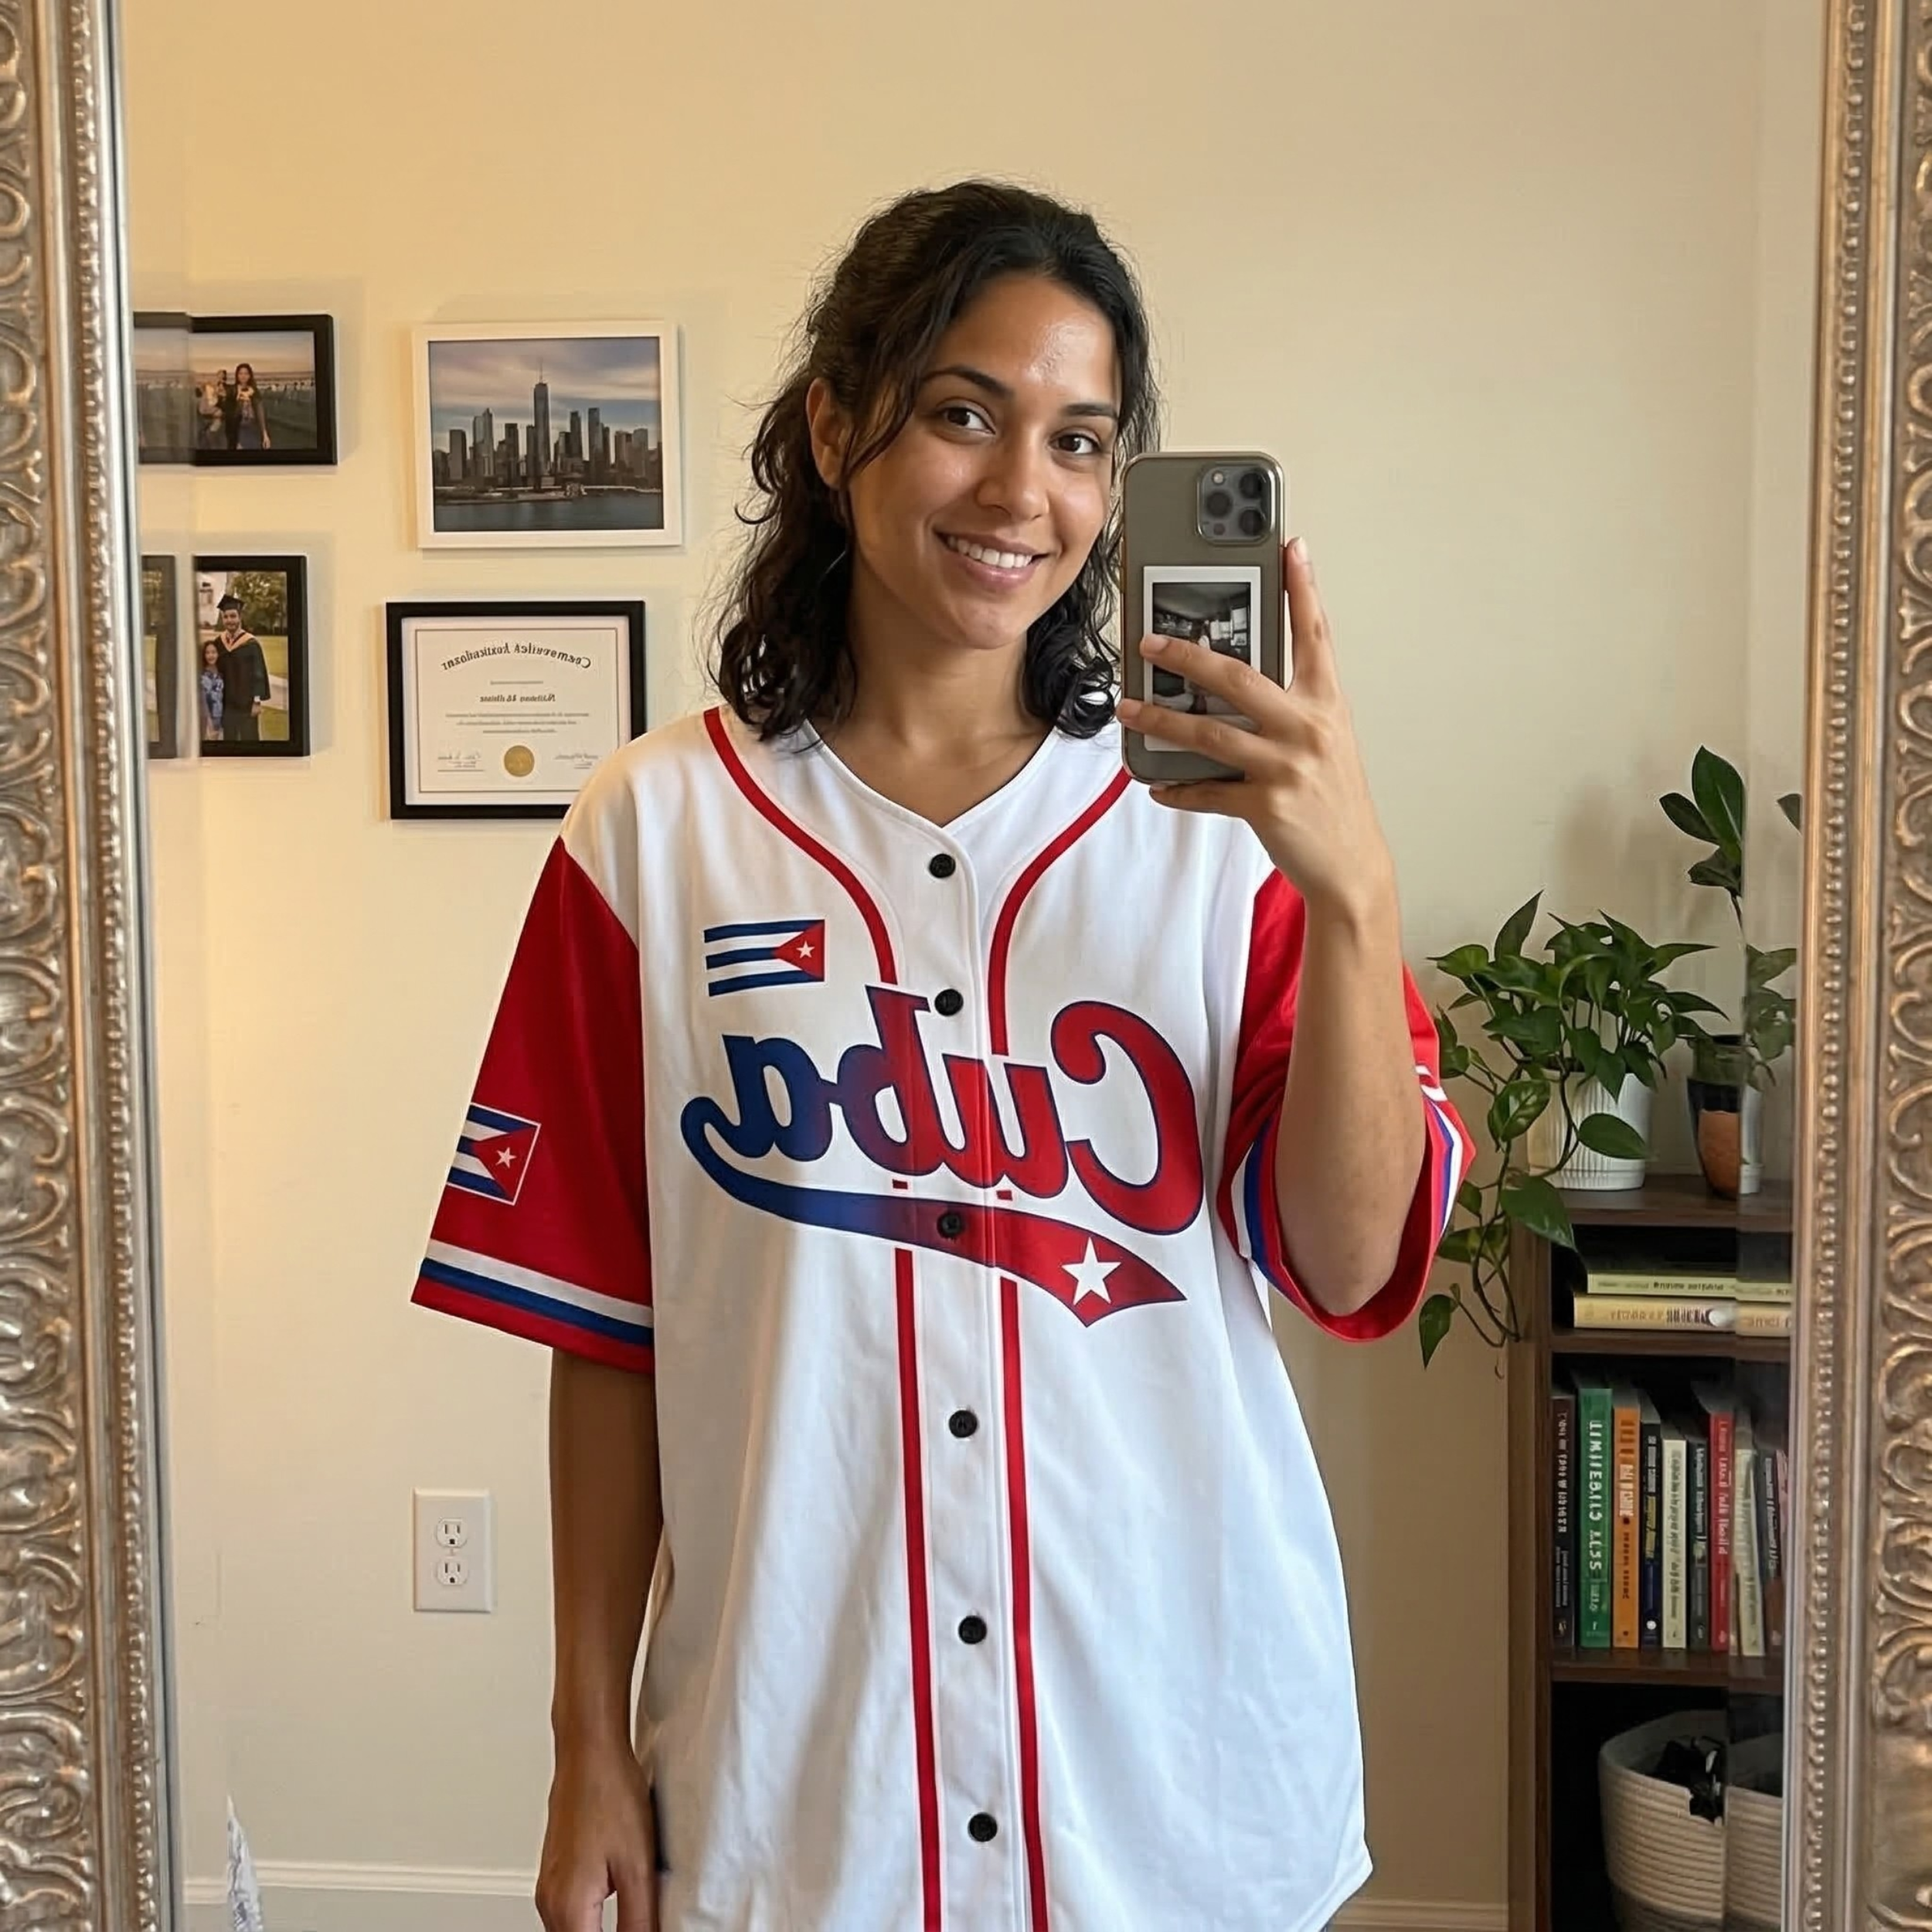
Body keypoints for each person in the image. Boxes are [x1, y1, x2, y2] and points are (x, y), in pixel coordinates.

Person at [412, 180, 1469, 1932]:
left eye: (1079, 440)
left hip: (1174, 1765)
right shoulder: (654, 834)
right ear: (836, 426)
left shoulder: (1225, 840)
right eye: (962, 412)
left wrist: (1354, 894)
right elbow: (604, 1332)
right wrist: (583, 1741)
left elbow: (1356, 1267)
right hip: (799, 1776)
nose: (1019, 490)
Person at [213, 595, 269, 742]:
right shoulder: (219, 643)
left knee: (249, 740)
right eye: (226, 617)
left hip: (247, 704)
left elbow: (258, 674)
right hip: (227, 704)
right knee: (229, 740)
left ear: (240, 618)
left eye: (233, 616)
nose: (230, 620)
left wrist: (256, 702)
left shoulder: (251, 644)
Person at [232, 361, 271, 451]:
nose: (243, 376)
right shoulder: (233, 390)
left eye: (246, 373)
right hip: (238, 429)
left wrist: (265, 434)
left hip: (253, 428)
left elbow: (260, 412)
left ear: (250, 376)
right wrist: (241, 398)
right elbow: (233, 413)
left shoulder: (254, 391)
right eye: (240, 373)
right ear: (237, 375)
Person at [199, 638, 225, 740]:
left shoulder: (221, 673)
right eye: (207, 653)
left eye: (214, 652)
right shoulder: (202, 676)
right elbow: (204, 701)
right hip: (208, 719)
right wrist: (210, 724)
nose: (211, 655)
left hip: (222, 718)